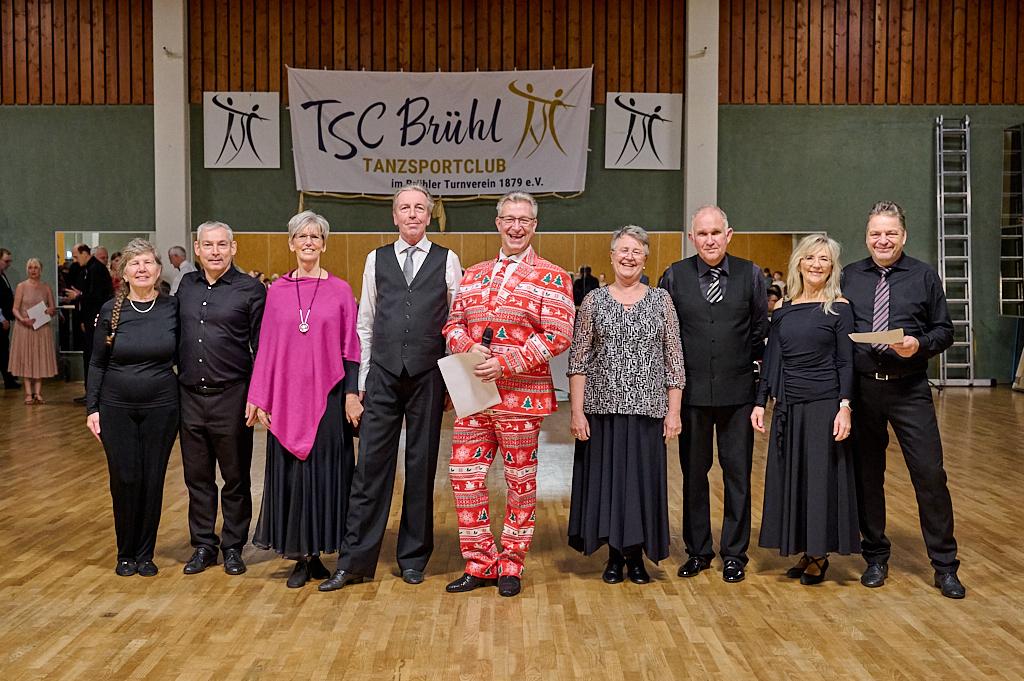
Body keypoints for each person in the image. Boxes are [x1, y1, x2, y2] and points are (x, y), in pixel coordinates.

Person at [319, 184, 462, 592]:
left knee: (421, 466)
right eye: (405, 208)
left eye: (419, 208)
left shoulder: (448, 260)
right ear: (394, 216)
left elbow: (456, 324)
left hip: (428, 376)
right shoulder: (375, 259)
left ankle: (413, 557)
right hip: (382, 375)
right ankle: (354, 561)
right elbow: (365, 323)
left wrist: (453, 382)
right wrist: (361, 382)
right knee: (369, 469)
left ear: (429, 216)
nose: (412, 214)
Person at [443, 191, 575, 598]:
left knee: (520, 480)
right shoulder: (473, 274)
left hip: (521, 398)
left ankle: (512, 564)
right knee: (464, 477)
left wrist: (507, 363)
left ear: (534, 226)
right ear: (498, 223)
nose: (516, 227)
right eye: (509, 219)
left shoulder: (553, 276)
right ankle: (481, 562)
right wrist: (467, 346)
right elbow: (452, 324)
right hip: (474, 395)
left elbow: (559, 335)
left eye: (524, 220)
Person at [841, 200, 965, 599]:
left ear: (903, 236)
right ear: (866, 237)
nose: (883, 240)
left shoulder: (924, 276)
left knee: (930, 475)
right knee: (867, 476)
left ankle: (945, 566)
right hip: (863, 390)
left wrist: (919, 344)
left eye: (890, 233)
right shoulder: (849, 276)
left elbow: (945, 331)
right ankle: (875, 556)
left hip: (910, 388)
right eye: (875, 233)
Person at [247, 211, 362, 589]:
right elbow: (266, 349)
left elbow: (352, 349)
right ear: (291, 243)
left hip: (329, 399)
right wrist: (259, 397)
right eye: (302, 236)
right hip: (285, 399)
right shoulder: (277, 292)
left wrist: (351, 394)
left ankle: (319, 552)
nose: (308, 242)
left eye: (315, 236)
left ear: (324, 244)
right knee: (293, 477)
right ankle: (299, 555)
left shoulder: (340, 290)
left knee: (324, 475)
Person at [567, 226, 684, 584]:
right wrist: (576, 411)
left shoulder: (661, 300)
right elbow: (578, 360)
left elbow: (674, 359)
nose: (629, 257)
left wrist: (674, 411)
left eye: (636, 251)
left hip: (648, 412)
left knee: (640, 486)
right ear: (612, 256)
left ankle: (636, 556)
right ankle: (614, 556)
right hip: (603, 411)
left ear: (645, 258)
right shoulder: (594, 301)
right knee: (610, 485)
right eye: (623, 250)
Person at [659, 205, 768, 583]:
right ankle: (698, 551)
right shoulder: (674, 276)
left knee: (738, 475)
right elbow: (667, 334)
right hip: (691, 395)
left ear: (728, 234)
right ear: (692, 238)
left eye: (716, 233)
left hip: (738, 393)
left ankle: (735, 553)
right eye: (702, 234)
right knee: (694, 475)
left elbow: (759, 328)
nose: (709, 240)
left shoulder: (751, 275)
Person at [751, 234, 858, 585]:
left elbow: (846, 361)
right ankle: (805, 548)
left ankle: (819, 554)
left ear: (832, 267)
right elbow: (773, 358)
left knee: (818, 479)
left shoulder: (839, 307)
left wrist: (845, 406)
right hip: (789, 404)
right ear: (799, 262)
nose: (816, 264)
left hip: (824, 404)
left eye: (824, 259)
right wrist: (760, 402)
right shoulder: (784, 307)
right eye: (810, 257)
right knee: (793, 477)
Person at [176, 221, 266, 576]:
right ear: (197, 249)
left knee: (235, 477)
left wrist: (257, 396)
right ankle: (203, 545)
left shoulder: (251, 289)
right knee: (197, 478)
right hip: (189, 397)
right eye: (208, 245)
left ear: (233, 248)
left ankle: (233, 547)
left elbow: (261, 348)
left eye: (222, 244)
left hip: (233, 396)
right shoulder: (186, 285)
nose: (215, 251)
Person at [85, 239, 179, 577]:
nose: (142, 269)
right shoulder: (111, 310)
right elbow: (97, 362)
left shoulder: (172, 308)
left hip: (162, 407)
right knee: (124, 478)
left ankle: (145, 553)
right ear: (123, 272)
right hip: (116, 407)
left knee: (152, 479)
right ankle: (125, 552)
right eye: (134, 263)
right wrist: (92, 407)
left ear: (158, 270)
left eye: (148, 262)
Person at [67, 243, 114, 402]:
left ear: (84, 253)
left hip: (96, 321)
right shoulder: (87, 270)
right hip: (89, 320)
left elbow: (98, 296)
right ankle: (91, 392)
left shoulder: (96, 270)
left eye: (76, 256)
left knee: (94, 356)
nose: (75, 260)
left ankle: (95, 393)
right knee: (89, 356)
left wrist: (78, 296)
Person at [8, 258, 59, 404]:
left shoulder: (46, 287)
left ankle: (38, 392)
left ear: (40, 269)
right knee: (26, 358)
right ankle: (28, 393)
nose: (33, 270)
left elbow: (52, 308)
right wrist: (22, 319)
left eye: (36, 267)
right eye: (30, 267)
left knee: (39, 357)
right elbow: (15, 309)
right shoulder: (21, 286)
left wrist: (50, 311)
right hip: (24, 327)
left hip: (41, 327)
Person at [0, 247, 20, 389]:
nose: (8, 264)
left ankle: (9, 379)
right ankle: (9, 379)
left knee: (3, 349)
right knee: (2, 350)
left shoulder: (3, 275)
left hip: (6, 318)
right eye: (6, 261)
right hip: (2, 320)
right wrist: (1, 319)